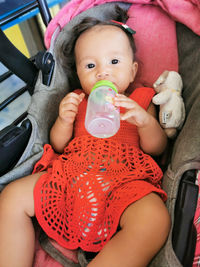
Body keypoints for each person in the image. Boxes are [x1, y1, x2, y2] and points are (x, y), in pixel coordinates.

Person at [0, 7, 171, 267]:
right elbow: (57, 145)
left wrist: (145, 122)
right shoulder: (79, 100)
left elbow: (157, 148)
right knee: (12, 196)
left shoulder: (141, 99)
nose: (102, 72)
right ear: (79, 75)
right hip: (72, 176)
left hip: (124, 182)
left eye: (114, 62)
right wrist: (64, 120)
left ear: (133, 71)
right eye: (91, 65)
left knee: (154, 219)